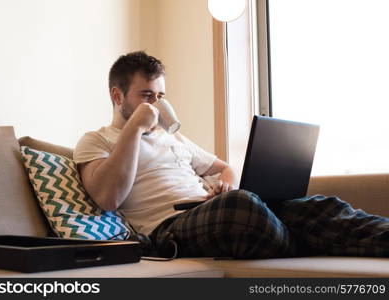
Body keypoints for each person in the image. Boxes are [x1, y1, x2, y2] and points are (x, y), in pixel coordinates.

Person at [74, 51, 389, 259]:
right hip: (169, 228)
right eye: (146, 96)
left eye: (160, 96)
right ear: (118, 96)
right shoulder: (96, 140)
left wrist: (223, 185)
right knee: (241, 206)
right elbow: (108, 197)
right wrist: (135, 128)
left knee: (320, 205)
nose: (155, 105)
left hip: (212, 210)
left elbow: (223, 167)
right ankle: (307, 240)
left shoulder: (174, 137)